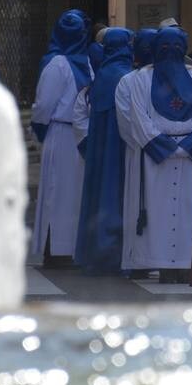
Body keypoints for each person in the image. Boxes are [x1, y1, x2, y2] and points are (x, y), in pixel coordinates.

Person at [116, 26, 192, 283]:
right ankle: (160, 262)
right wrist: (164, 146)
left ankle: (186, 263)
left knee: (188, 209)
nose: (171, 53)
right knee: (156, 211)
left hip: (189, 157)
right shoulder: (142, 78)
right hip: (155, 156)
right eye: (164, 48)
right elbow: (138, 116)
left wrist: (189, 144)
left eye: (176, 48)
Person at [30, 9, 93, 266]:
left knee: (66, 194)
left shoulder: (69, 63)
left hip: (70, 133)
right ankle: (57, 248)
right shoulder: (71, 63)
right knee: (61, 193)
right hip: (67, 132)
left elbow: (44, 104)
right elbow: (46, 105)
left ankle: (64, 248)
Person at [73, 27, 134, 273]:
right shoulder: (125, 75)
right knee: (118, 195)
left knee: (101, 195)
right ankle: (115, 252)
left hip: (101, 147)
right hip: (119, 146)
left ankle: (98, 252)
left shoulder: (102, 74)